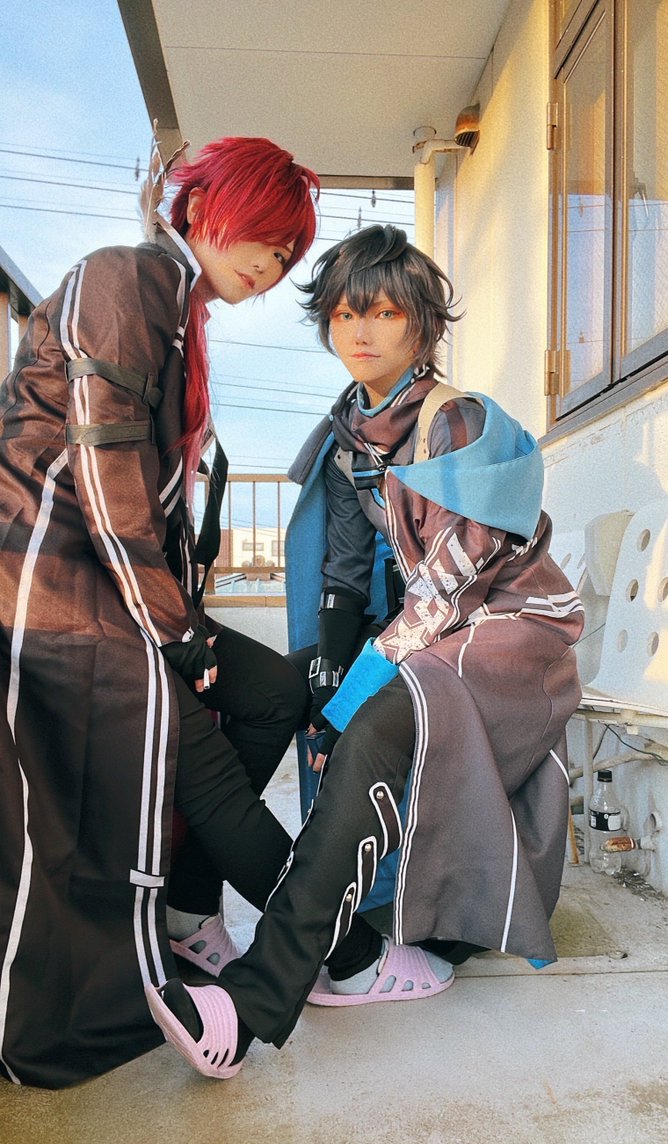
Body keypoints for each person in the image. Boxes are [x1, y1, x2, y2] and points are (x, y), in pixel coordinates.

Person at [144, 224, 584, 1080]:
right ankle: (212, 921)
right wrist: (322, 684)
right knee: (302, 703)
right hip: (433, 636)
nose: (361, 331)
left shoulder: (458, 421)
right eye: (345, 314)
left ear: (422, 323)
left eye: (384, 312)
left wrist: (350, 703)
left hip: (512, 634)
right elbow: (344, 577)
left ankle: (257, 998)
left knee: (373, 720)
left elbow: (448, 587)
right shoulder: (349, 432)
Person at [0, 133, 320, 1088]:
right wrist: (178, 634)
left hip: (115, 585)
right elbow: (105, 473)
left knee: (269, 693)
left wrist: (186, 626)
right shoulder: (126, 278)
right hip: (55, 588)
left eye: (286, 255)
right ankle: (336, 951)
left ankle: (187, 910)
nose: (269, 266)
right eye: (265, 236)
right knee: (204, 759)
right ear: (205, 207)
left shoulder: (177, 310)